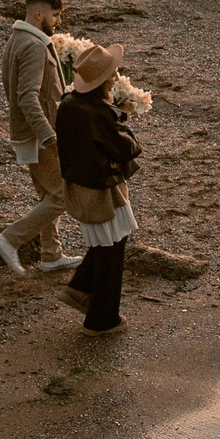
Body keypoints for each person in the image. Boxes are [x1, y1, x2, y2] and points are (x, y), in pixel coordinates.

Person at [53, 42, 139, 334]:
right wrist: (122, 120)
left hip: (78, 185)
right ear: (103, 81)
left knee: (104, 244)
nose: (116, 77)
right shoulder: (97, 112)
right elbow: (127, 149)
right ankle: (101, 320)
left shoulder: (68, 103)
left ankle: (79, 289)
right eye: (113, 74)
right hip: (102, 188)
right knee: (112, 250)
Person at [0, 0, 79, 276]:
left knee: (47, 194)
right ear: (39, 13)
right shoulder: (32, 45)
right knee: (61, 196)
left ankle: (51, 255)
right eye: (55, 16)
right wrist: (48, 135)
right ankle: (9, 239)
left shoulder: (19, 38)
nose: (57, 22)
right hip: (39, 136)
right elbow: (27, 96)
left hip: (31, 133)